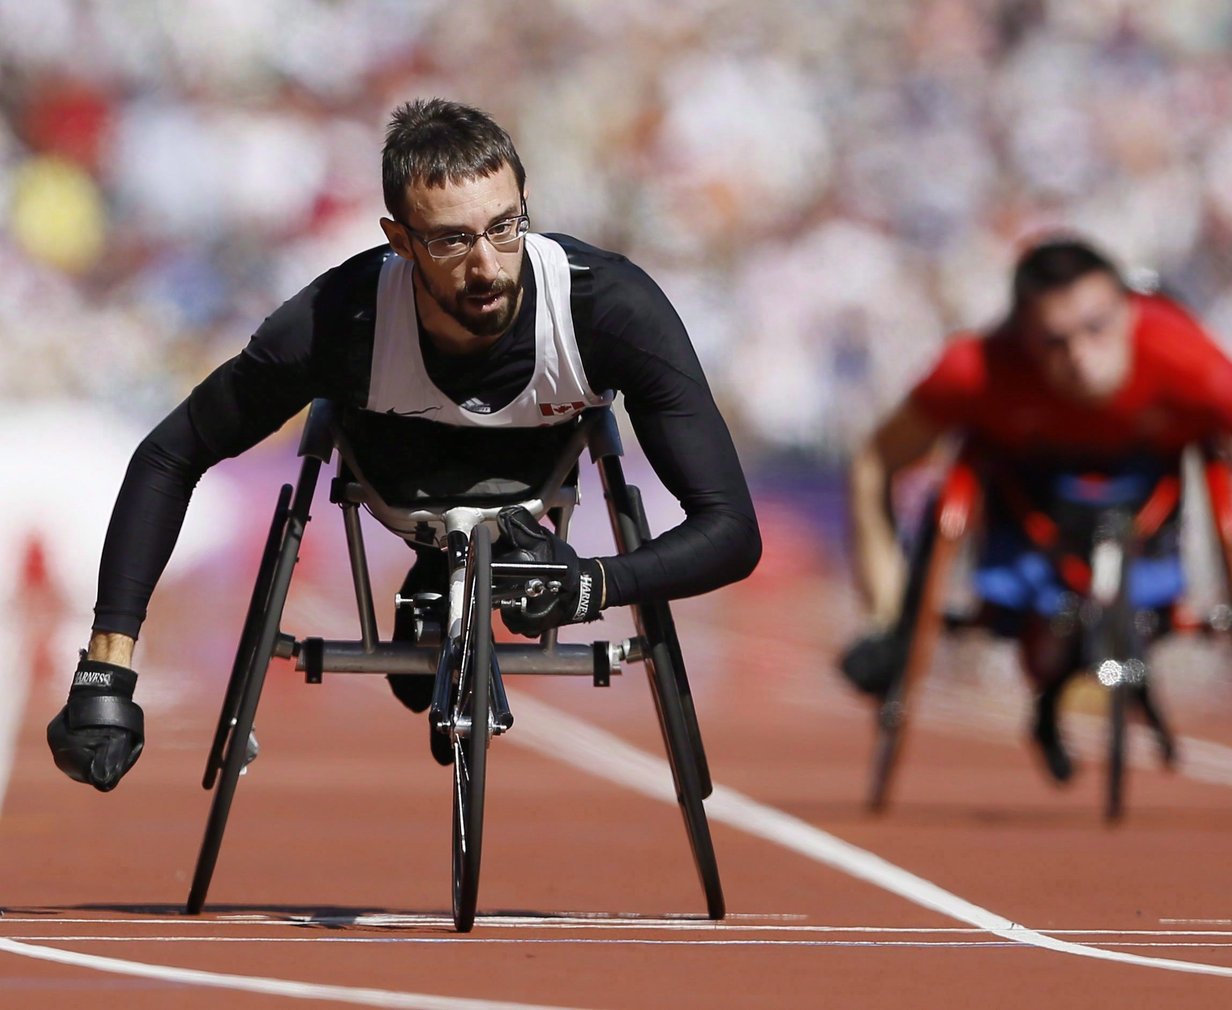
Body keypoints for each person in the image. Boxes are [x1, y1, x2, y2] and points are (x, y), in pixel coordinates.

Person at [47, 98, 762, 792]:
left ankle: (441, 590)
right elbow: (171, 454)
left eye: (505, 227)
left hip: (535, 495)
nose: (487, 266)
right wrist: (107, 666)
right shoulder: (339, 318)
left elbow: (732, 530)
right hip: (399, 489)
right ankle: (433, 574)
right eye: (452, 239)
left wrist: (593, 584)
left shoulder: (610, 308)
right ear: (400, 241)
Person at [843, 237, 1232, 782]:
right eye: (1054, 342)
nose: (1079, 356)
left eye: (1096, 328)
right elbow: (874, 463)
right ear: (1022, 339)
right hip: (1026, 507)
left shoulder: (1192, 363)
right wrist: (886, 619)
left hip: (1148, 503)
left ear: (1130, 313)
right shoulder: (974, 370)